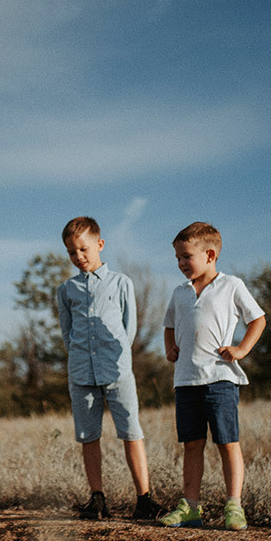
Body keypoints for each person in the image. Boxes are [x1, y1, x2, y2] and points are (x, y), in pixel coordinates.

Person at [160, 222, 266, 530]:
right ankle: (191, 507)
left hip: (220, 379)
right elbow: (169, 325)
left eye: (186, 257)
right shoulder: (179, 293)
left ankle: (234, 505)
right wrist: (170, 347)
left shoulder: (231, 285)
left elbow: (257, 319)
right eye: (177, 258)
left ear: (210, 254)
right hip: (185, 382)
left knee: (227, 442)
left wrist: (242, 349)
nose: (181, 263)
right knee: (192, 444)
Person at [57, 216, 164, 520]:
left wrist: (115, 358)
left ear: (99, 245)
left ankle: (144, 500)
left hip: (118, 371)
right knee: (88, 436)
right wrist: (80, 356)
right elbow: (68, 333)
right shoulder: (66, 290)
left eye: (84, 249)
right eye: (72, 252)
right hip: (81, 374)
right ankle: (97, 499)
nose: (79, 257)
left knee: (131, 431)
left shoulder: (121, 283)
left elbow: (128, 330)